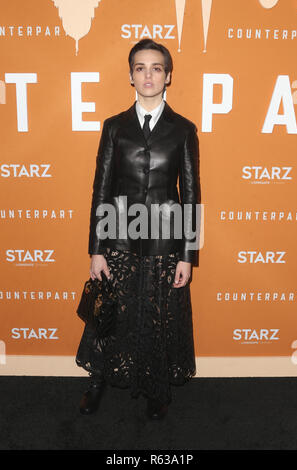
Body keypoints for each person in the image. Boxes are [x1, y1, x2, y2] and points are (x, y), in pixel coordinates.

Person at [76, 39, 201, 420]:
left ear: (168, 76)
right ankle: (97, 382)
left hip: (166, 240)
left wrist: (187, 256)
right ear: (131, 76)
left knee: (159, 315)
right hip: (118, 237)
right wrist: (97, 248)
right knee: (109, 314)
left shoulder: (183, 129)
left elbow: (192, 194)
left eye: (156, 67)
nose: (148, 74)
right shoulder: (114, 127)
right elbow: (101, 188)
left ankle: (155, 387)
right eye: (140, 67)